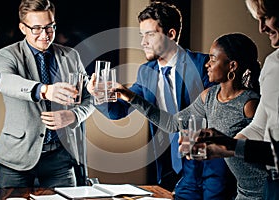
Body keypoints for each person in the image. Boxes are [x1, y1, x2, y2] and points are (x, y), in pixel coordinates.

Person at [88, 1, 230, 198]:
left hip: (207, 166)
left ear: (171, 34)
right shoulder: (146, 72)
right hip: (168, 167)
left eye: (150, 34)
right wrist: (99, 96)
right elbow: (117, 111)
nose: (143, 42)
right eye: (141, 35)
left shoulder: (203, 66)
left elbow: (220, 116)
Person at [112, 32, 266, 200]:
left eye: (213, 59)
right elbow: (171, 123)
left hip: (265, 191)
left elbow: (265, 153)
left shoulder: (250, 104)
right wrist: (130, 97)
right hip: (242, 192)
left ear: (232, 66)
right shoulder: (208, 97)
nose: (207, 64)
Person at [0, 0, 94, 188]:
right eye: (36, 28)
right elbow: (4, 82)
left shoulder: (71, 56)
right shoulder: (6, 55)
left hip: (61, 159)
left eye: (49, 27)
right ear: (23, 28)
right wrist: (45, 90)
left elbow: (89, 98)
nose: (45, 35)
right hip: (17, 160)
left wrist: (73, 115)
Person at [194, 0, 279, 199]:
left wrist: (232, 146)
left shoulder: (248, 101)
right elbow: (259, 127)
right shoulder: (273, 64)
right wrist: (222, 144)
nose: (261, 28)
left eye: (266, 17)